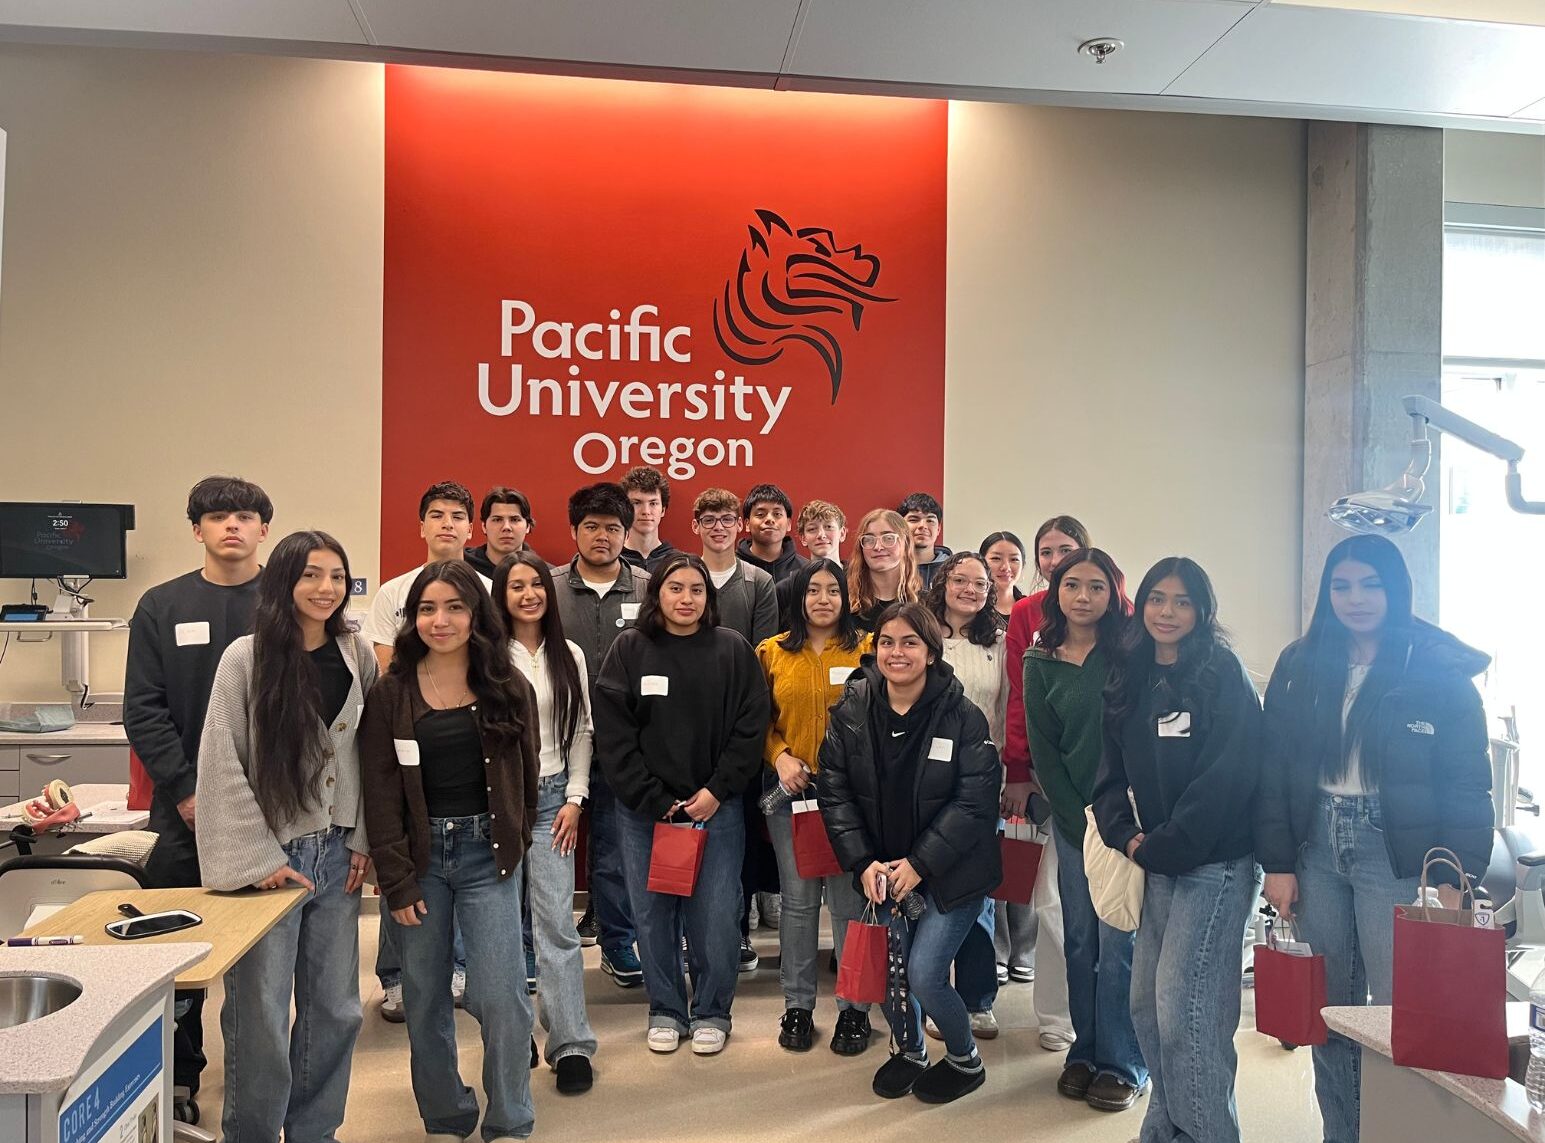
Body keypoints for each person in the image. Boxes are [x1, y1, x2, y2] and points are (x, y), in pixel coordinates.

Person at [1257, 534, 1491, 1143]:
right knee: (1329, 1010)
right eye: (1341, 586)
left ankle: (1398, 1132)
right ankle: (1344, 1133)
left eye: (1370, 584)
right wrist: (1277, 862)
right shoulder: (1302, 663)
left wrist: (1456, 877)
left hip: (1399, 854)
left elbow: (1468, 783)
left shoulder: (1434, 668)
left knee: (1402, 1013)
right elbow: (1273, 769)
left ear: (1397, 590)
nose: (1354, 598)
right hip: (1315, 844)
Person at [196, 530, 376, 1143]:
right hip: (270, 861)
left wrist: (364, 838)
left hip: (339, 852)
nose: (326, 588)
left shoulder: (357, 653)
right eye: (311, 575)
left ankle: (314, 1131)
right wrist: (259, 860)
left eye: (337, 576)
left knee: (336, 1009)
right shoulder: (245, 658)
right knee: (262, 1014)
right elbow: (221, 763)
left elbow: (370, 755)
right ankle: (252, 1132)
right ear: (283, 581)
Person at [361, 560, 540, 1143]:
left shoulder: (508, 685)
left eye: (455, 607)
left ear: (476, 615)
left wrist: (517, 839)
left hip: (489, 855)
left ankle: (510, 1116)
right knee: (424, 995)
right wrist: (396, 878)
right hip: (420, 861)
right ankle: (446, 1114)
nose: (440, 621)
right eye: (427, 609)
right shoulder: (391, 693)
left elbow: (527, 778)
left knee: (502, 994)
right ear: (412, 618)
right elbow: (380, 791)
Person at [1093, 557, 1262, 1143]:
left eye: (1182, 601)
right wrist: (1127, 835)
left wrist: (1164, 845)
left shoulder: (1222, 673)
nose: (1167, 612)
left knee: (1188, 1013)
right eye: (1157, 599)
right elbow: (1108, 772)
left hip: (1214, 866)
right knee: (1147, 1006)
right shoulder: (1130, 673)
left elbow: (1229, 775)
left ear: (1202, 610)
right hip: (1156, 861)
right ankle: (1166, 1128)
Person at [124, 474, 273, 1113]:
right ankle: (179, 1078)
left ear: (264, 529)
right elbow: (143, 708)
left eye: (243, 516)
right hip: (181, 811)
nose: (231, 526)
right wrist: (188, 792)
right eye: (217, 517)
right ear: (197, 530)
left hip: (272, 810)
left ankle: (258, 1084)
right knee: (177, 952)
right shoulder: (161, 605)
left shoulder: (286, 600)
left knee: (263, 965)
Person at [818, 603, 1001, 1104]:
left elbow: (975, 801)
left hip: (952, 871)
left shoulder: (963, 716)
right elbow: (834, 792)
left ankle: (964, 1059)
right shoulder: (852, 710)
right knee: (889, 973)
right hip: (882, 868)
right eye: (887, 642)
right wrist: (862, 862)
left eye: (910, 642)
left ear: (931, 652)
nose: (896, 653)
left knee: (924, 974)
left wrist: (920, 865)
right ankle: (911, 1051)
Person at [592, 553, 771, 1055]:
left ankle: (713, 1010)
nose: (686, 599)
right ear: (657, 594)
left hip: (716, 808)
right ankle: (666, 1009)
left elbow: (751, 725)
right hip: (645, 813)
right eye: (675, 588)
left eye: (696, 589)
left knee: (715, 914)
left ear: (708, 598)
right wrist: (654, 799)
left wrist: (716, 790)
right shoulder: (630, 649)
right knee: (652, 915)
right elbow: (614, 735)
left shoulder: (732, 649)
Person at [1024, 548, 1148, 1113]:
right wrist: (1078, 822)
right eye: (1072, 584)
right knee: (1079, 939)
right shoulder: (1039, 660)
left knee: (1119, 941)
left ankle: (1124, 1062)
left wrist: (1115, 825)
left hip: (1128, 819)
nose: (1083, 596)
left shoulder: (1132, 653)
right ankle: (1086, 1050)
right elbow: (1045, 753)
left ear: (1113, 594)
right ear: (1056, 591)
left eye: (1097, 586)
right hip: (1076, 821)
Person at [362, 480, 487, 1018]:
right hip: (411, 737)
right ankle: (394, 976)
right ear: (421, 526)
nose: (447, 524)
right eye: (436, 514)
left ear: (470, 527)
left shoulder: (488, 588)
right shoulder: (394, 592)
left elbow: (493, 662)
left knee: (461, 872)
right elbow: (387, 664)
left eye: (457, 515)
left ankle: (457, 967)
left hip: (465, 744)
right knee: (404, 861)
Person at [756, 558, 875, 1056]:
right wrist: (780, 756)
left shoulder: (869, 648)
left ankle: (854, 1008)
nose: (823, 599)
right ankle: (798, 1005)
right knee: (799, 904)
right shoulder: (771, 652)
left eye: (833, 590)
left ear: (845, 598)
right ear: (798, 598)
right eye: (813, 590)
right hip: (793, 797)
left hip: (853, 800)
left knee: (850, 905)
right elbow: (757, 719)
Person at [493, 551, 600, 1094]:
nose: (529, 594)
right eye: (516, 586)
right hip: (498, 802)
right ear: (501, 595)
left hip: (555, 799)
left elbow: (581, 729)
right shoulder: (487, 654)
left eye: (536, 584)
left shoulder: (568, 653)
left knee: (556, 924)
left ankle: (570, 1042)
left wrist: (576, 798)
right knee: (501, 927)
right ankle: (515, 1038)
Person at [550, 482, 648, 987]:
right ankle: (538, 946)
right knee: (547, 848)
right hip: (556, 740)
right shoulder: (548, 588)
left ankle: (617, 942)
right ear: (574, 531)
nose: (602, 536)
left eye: (613, 528)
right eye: (591, 526)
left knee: (614, 851)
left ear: (627, 533)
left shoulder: (650, 589)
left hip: (625, 744)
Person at [1001, 515, 1088, 1051]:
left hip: (1102, 785)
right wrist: (1018, 771)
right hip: (1041, 777)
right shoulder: (1025, 613)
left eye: (1066, 549)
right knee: (1051, 902)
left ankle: (1101, 1019)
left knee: (1104, 906)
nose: (1055, 561)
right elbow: (1018, 696)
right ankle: (1057, 1018)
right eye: (1047, 552)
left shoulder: (1116, 611)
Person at [921, 553, 1008, 1042]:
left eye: (980, 583)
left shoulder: (999, 642)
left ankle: (976, 1000)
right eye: (960, 580)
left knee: (977, 898)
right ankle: (931, 994)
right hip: (926, 781)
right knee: (929, 889)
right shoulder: (923, 635)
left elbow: (1007, 709)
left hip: (981, 782)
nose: (970, 590)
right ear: (943, 582)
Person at [692, 486, 780, 968]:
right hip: (686, 730)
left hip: (739, 730)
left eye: (727, 519)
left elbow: (761, 658)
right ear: (696, 526)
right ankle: (690, 934)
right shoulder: (683, 575)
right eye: (709, 519)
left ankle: (738, 930)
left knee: (738, 837)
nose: (719, 527)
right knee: (686, 834)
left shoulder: (758, 582)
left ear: (739, 525)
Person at [776, 499, 847, 632]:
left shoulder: (859, 581)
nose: (821, 535)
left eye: (828, 527)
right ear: (803, 538)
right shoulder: (787, 589)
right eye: (812, 529)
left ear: (842, 533)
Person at [846, 508, 919, 634]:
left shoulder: (924, 603)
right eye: (869, 539)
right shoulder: (845, 600)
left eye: (888, 538)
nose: (878, 547)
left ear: (905, 542)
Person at [738, 482, 807, 585]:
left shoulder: (806, 571)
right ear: (747, 524)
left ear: (789, 524)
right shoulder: (730, 568)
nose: (770, 519)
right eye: (760, 514)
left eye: (777, 514)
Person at [467, 486, 544, 577]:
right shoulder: (464, 567)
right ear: (484, 526)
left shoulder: (544, 574)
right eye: (497, 520)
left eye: (514, 520)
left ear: (528, 526)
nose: (506, 527)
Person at [620, 465, 677, 572]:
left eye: (653, 503)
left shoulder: (678, 563)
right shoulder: (612, 561)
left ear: (663, 510)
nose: (646, 511)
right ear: (625, 509)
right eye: (637, 503)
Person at [899, 493, 950, 590]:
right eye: (914, 520)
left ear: (938, 529)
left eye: (930, 521)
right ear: (900, 527)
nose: (923, 526)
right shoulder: (889, 568)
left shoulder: (954, 570)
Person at [979, 531, 1026, 626]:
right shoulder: (974, 608)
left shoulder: (1031, 609)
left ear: (1023, 565)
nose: (1006, 567)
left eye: (1014, 559)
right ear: (981, 563)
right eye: (996, 558)